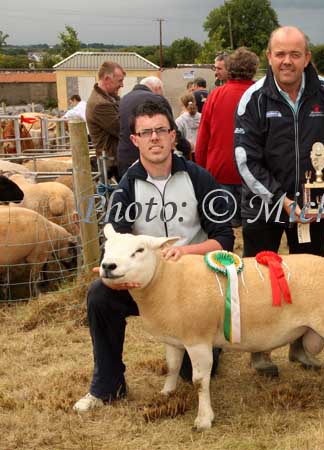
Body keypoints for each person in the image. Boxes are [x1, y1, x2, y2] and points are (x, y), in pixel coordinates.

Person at [73, 100, 234, 412]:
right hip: (146, 286)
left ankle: (203, 340)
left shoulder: (200, 179)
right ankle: (107, 385)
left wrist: (185, 251)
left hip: (194, 288)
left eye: (161, 130)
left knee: (196, 374)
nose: (155, 138)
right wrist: (116, 276)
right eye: (146, 132)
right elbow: (116, 238)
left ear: (174, 136)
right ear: (135, 140)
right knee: (100, 296)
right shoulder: (126, 188)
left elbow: (224, 239)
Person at [234, 26, 324, 377]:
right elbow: (245, 160)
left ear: (307, 57)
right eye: (280, 54)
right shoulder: (255, 98)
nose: (287, 61)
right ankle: (260, 351)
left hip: (313, 207)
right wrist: (280, 200)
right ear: (269, 56)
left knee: (309, 279)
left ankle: (300, 348)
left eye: (295, 54)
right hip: (265, 206)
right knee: (260, 279)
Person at [195, 47, 259, 228]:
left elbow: (203, 137)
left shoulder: (215, 95)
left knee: (222, 229)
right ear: (253, 68)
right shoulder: (260, 94)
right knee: (254, 230)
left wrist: (200, 170)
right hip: (253, 173)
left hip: (220, 170)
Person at [117, 76, 191, 177]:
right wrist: (186, 147)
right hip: (151, 162)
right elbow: (171, 130)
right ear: (158, 89)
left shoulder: (123, 100)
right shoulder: (157, 99)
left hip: (125, 158)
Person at [86, 61, 125, 180]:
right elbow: (122, 129)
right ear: (107, 79)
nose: (122, 85)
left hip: (115, 160)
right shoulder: (100, 104)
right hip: (114, 163)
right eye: (120, 81)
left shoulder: (108, 98)